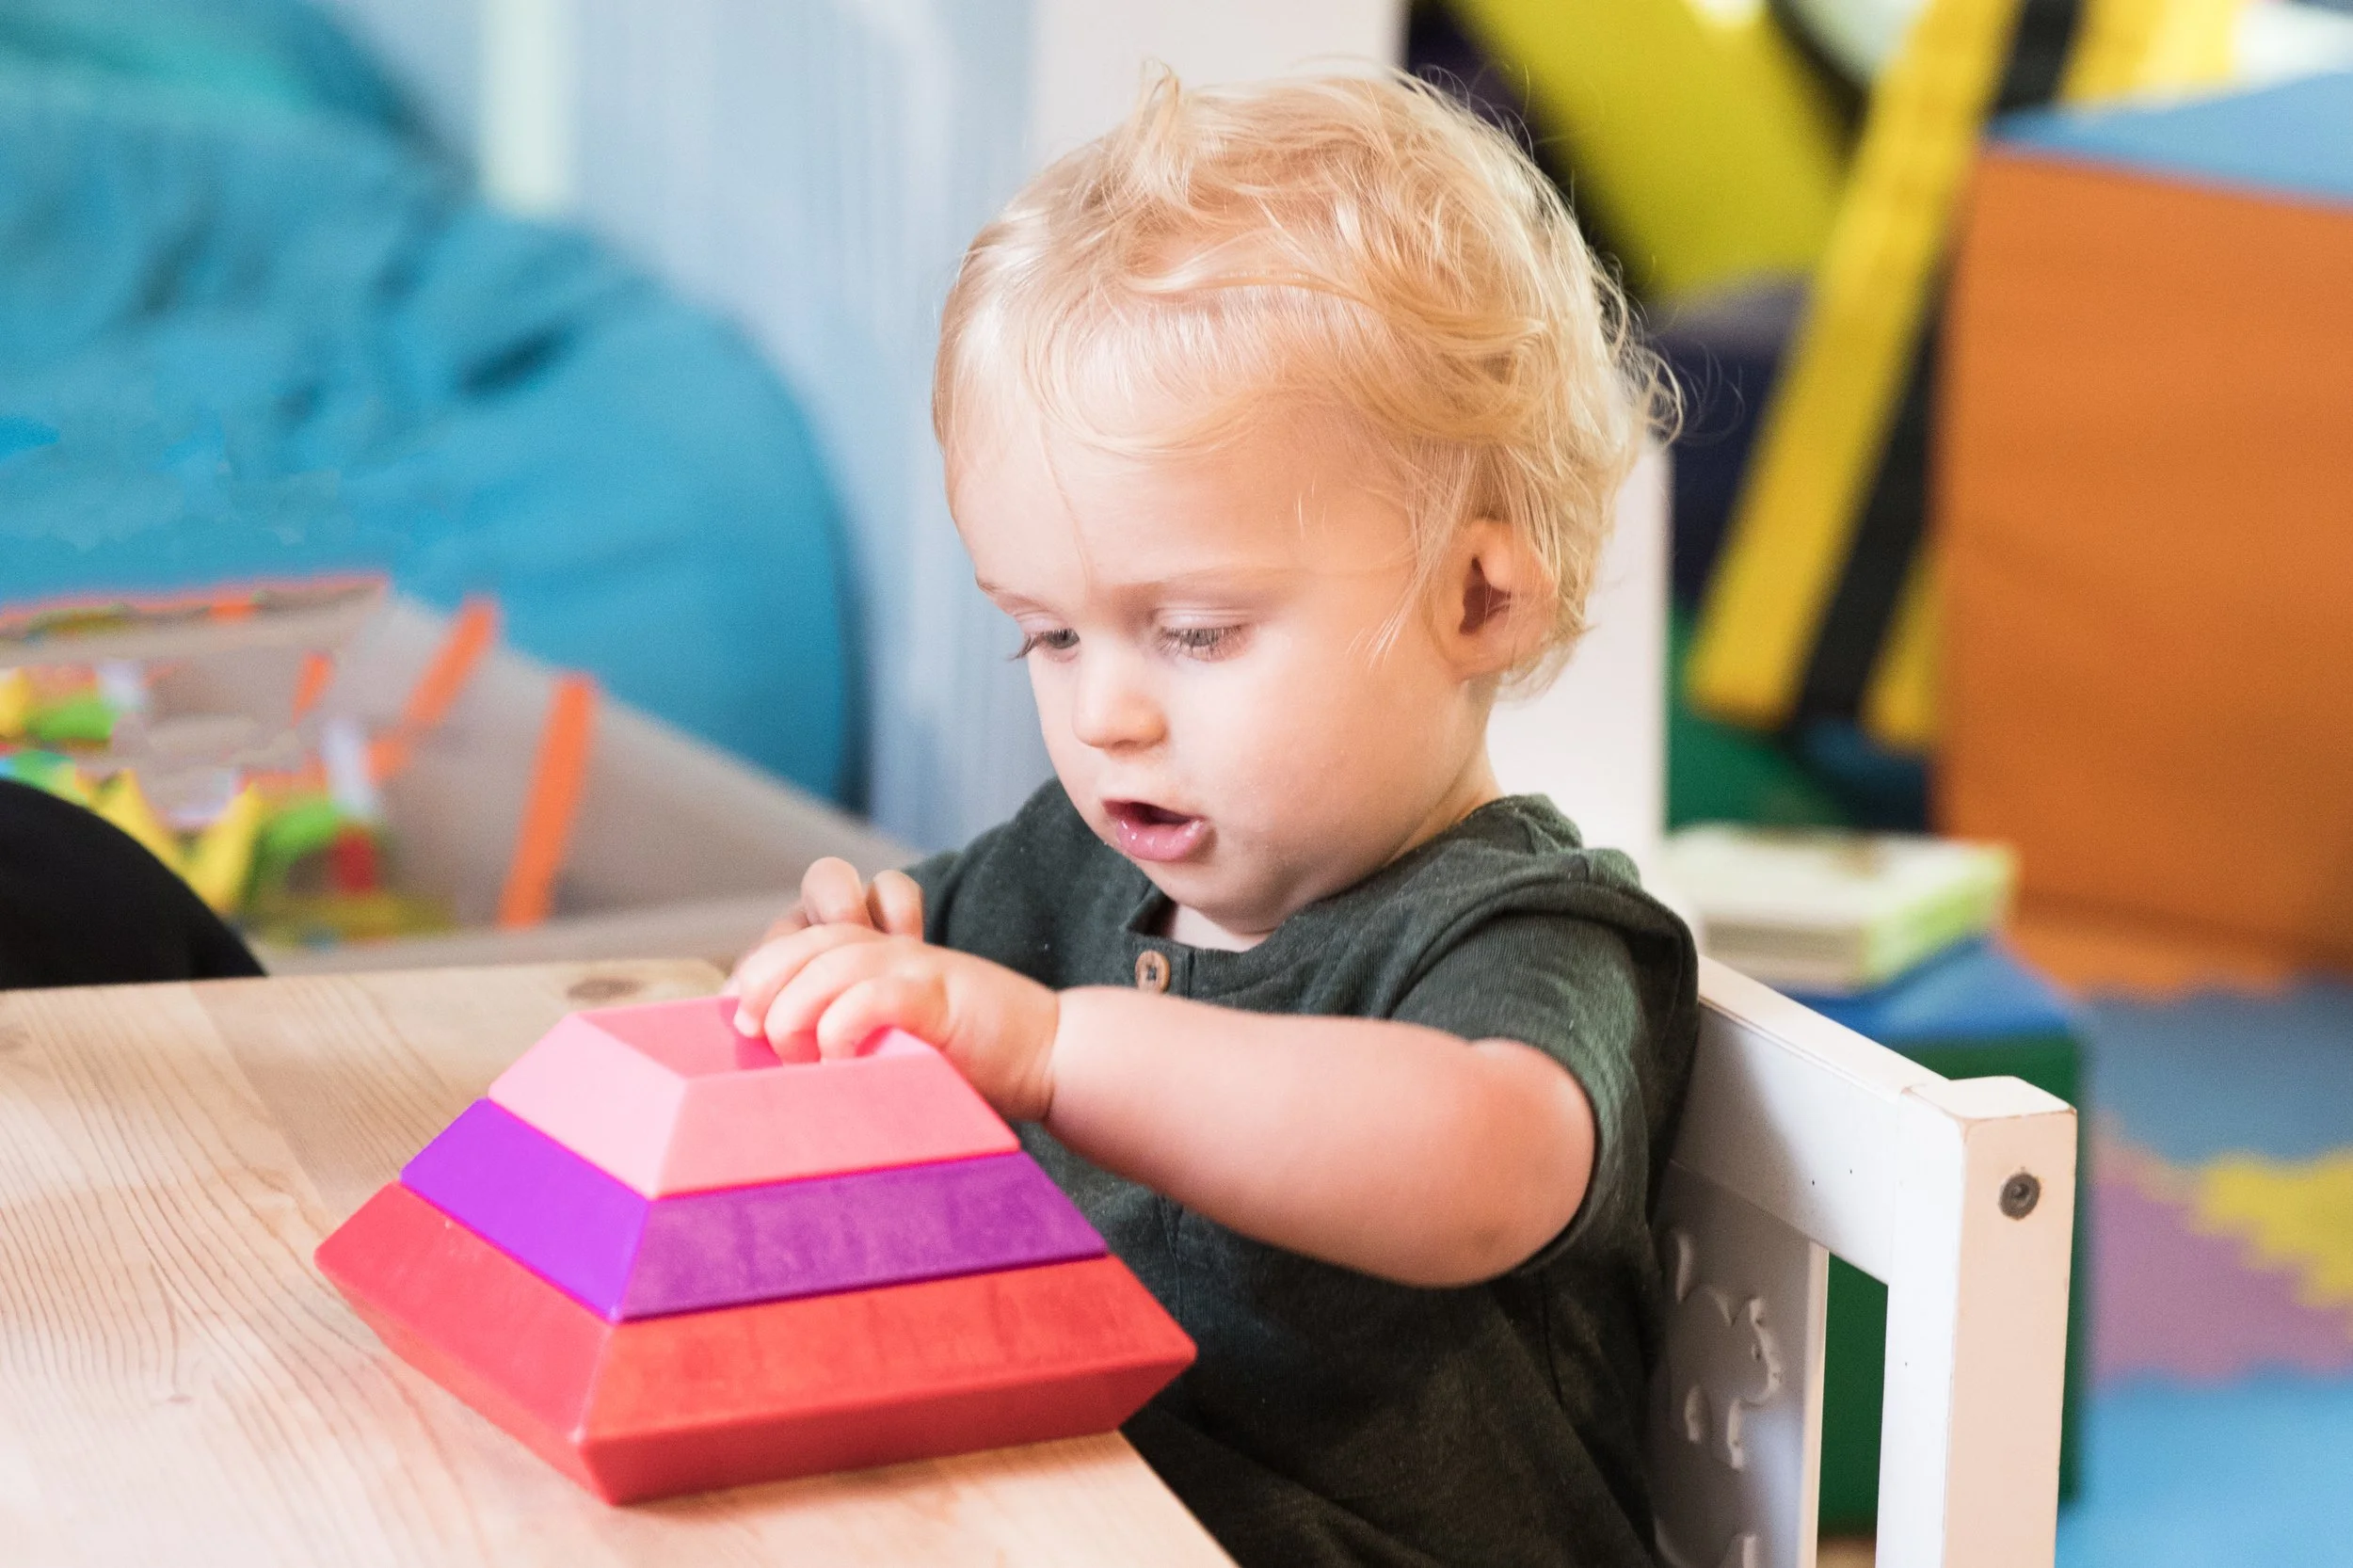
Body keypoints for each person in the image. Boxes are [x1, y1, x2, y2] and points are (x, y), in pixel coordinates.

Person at [728, 69, 1696, 1568]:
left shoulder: (1523, 931)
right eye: (1048, 636)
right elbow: (906, 1029)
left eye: (1190, 632)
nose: (1103, 714)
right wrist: (839, 982)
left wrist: (1048, 1049)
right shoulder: (1069, 861)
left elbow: (1480, 1169)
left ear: (1480, 598)